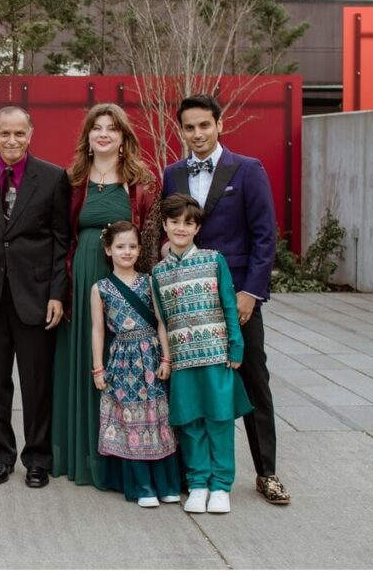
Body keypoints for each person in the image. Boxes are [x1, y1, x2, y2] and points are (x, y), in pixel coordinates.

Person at [161, 94, 289, 505]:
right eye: (189, 127)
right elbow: (171, 230)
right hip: (187, 304)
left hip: (236, 296)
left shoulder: (247, 170)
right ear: (180, 130)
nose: (197, 134)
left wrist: (250, 292)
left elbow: (265, 237)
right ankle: (193, 473)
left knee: (253, 380)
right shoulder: (173, 173)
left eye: (204, 125)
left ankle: (266, 471)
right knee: (190, 385)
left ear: (219, 124)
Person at [51, 102, 159, 488]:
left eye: (112, 128)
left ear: (123, 137)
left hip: (123, 285)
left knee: (123, 367)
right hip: (80, 281)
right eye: (97, 128)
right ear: (88, 137)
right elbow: (61, 237)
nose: (104, 134)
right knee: (83, 364)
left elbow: (149, 240)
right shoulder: (72, 180)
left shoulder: (141, 182)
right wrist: (60, 290)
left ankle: (122, 460)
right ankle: (82, 455)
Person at [0, 106, 70, 488]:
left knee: (37, 383)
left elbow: (61, 240)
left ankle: (38, 457)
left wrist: (58, 293)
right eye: (5, 134)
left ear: (30, 134)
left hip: (36, 296)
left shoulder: (54, 177)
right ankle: (0, 456)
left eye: (19, 134)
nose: (12, 141)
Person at [151, 194, 253, 514]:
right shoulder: (158, 273)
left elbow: (228, 304)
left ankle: (221, 486)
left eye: (188, 223)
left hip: (216, 355)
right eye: (175, 222)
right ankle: (197, 483)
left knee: (219, 420)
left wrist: (235, 345)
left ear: (197, 228)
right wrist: (167, 358)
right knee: (190, 423)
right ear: (165, 225)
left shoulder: (213, 260)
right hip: (183, 361)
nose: (181, 228)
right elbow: (162, 321)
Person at [90, 221, 180, 507]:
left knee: (157, 417)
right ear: (108, 250)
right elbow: (98, 330)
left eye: (132, 246)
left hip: (151, 356)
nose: (126, 252)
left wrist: (166, 357)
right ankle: (141, 486)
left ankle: (165, 484)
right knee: (131, 419)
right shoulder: (101, 288)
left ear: (140, 249)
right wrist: (98, 368)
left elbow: (161, 322)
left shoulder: (149, 281)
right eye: (120, 247)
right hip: (122, 360)